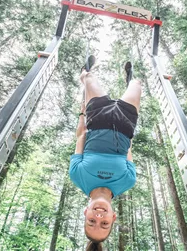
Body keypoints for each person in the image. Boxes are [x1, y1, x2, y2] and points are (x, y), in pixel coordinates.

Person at [69, 58, 142, 250]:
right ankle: (129, 80)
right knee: (137, 84)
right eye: (104, 223)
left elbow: (80, 137)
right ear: (113, 217)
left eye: (92, 221)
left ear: (85, 212)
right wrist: (130, 127)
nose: (99, 217)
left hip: (98, 116)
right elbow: (129, 149)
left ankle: (84, 74)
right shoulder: (127, 181)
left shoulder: (78, 177)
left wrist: (82, 113)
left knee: (89, 77)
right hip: (126, 123)